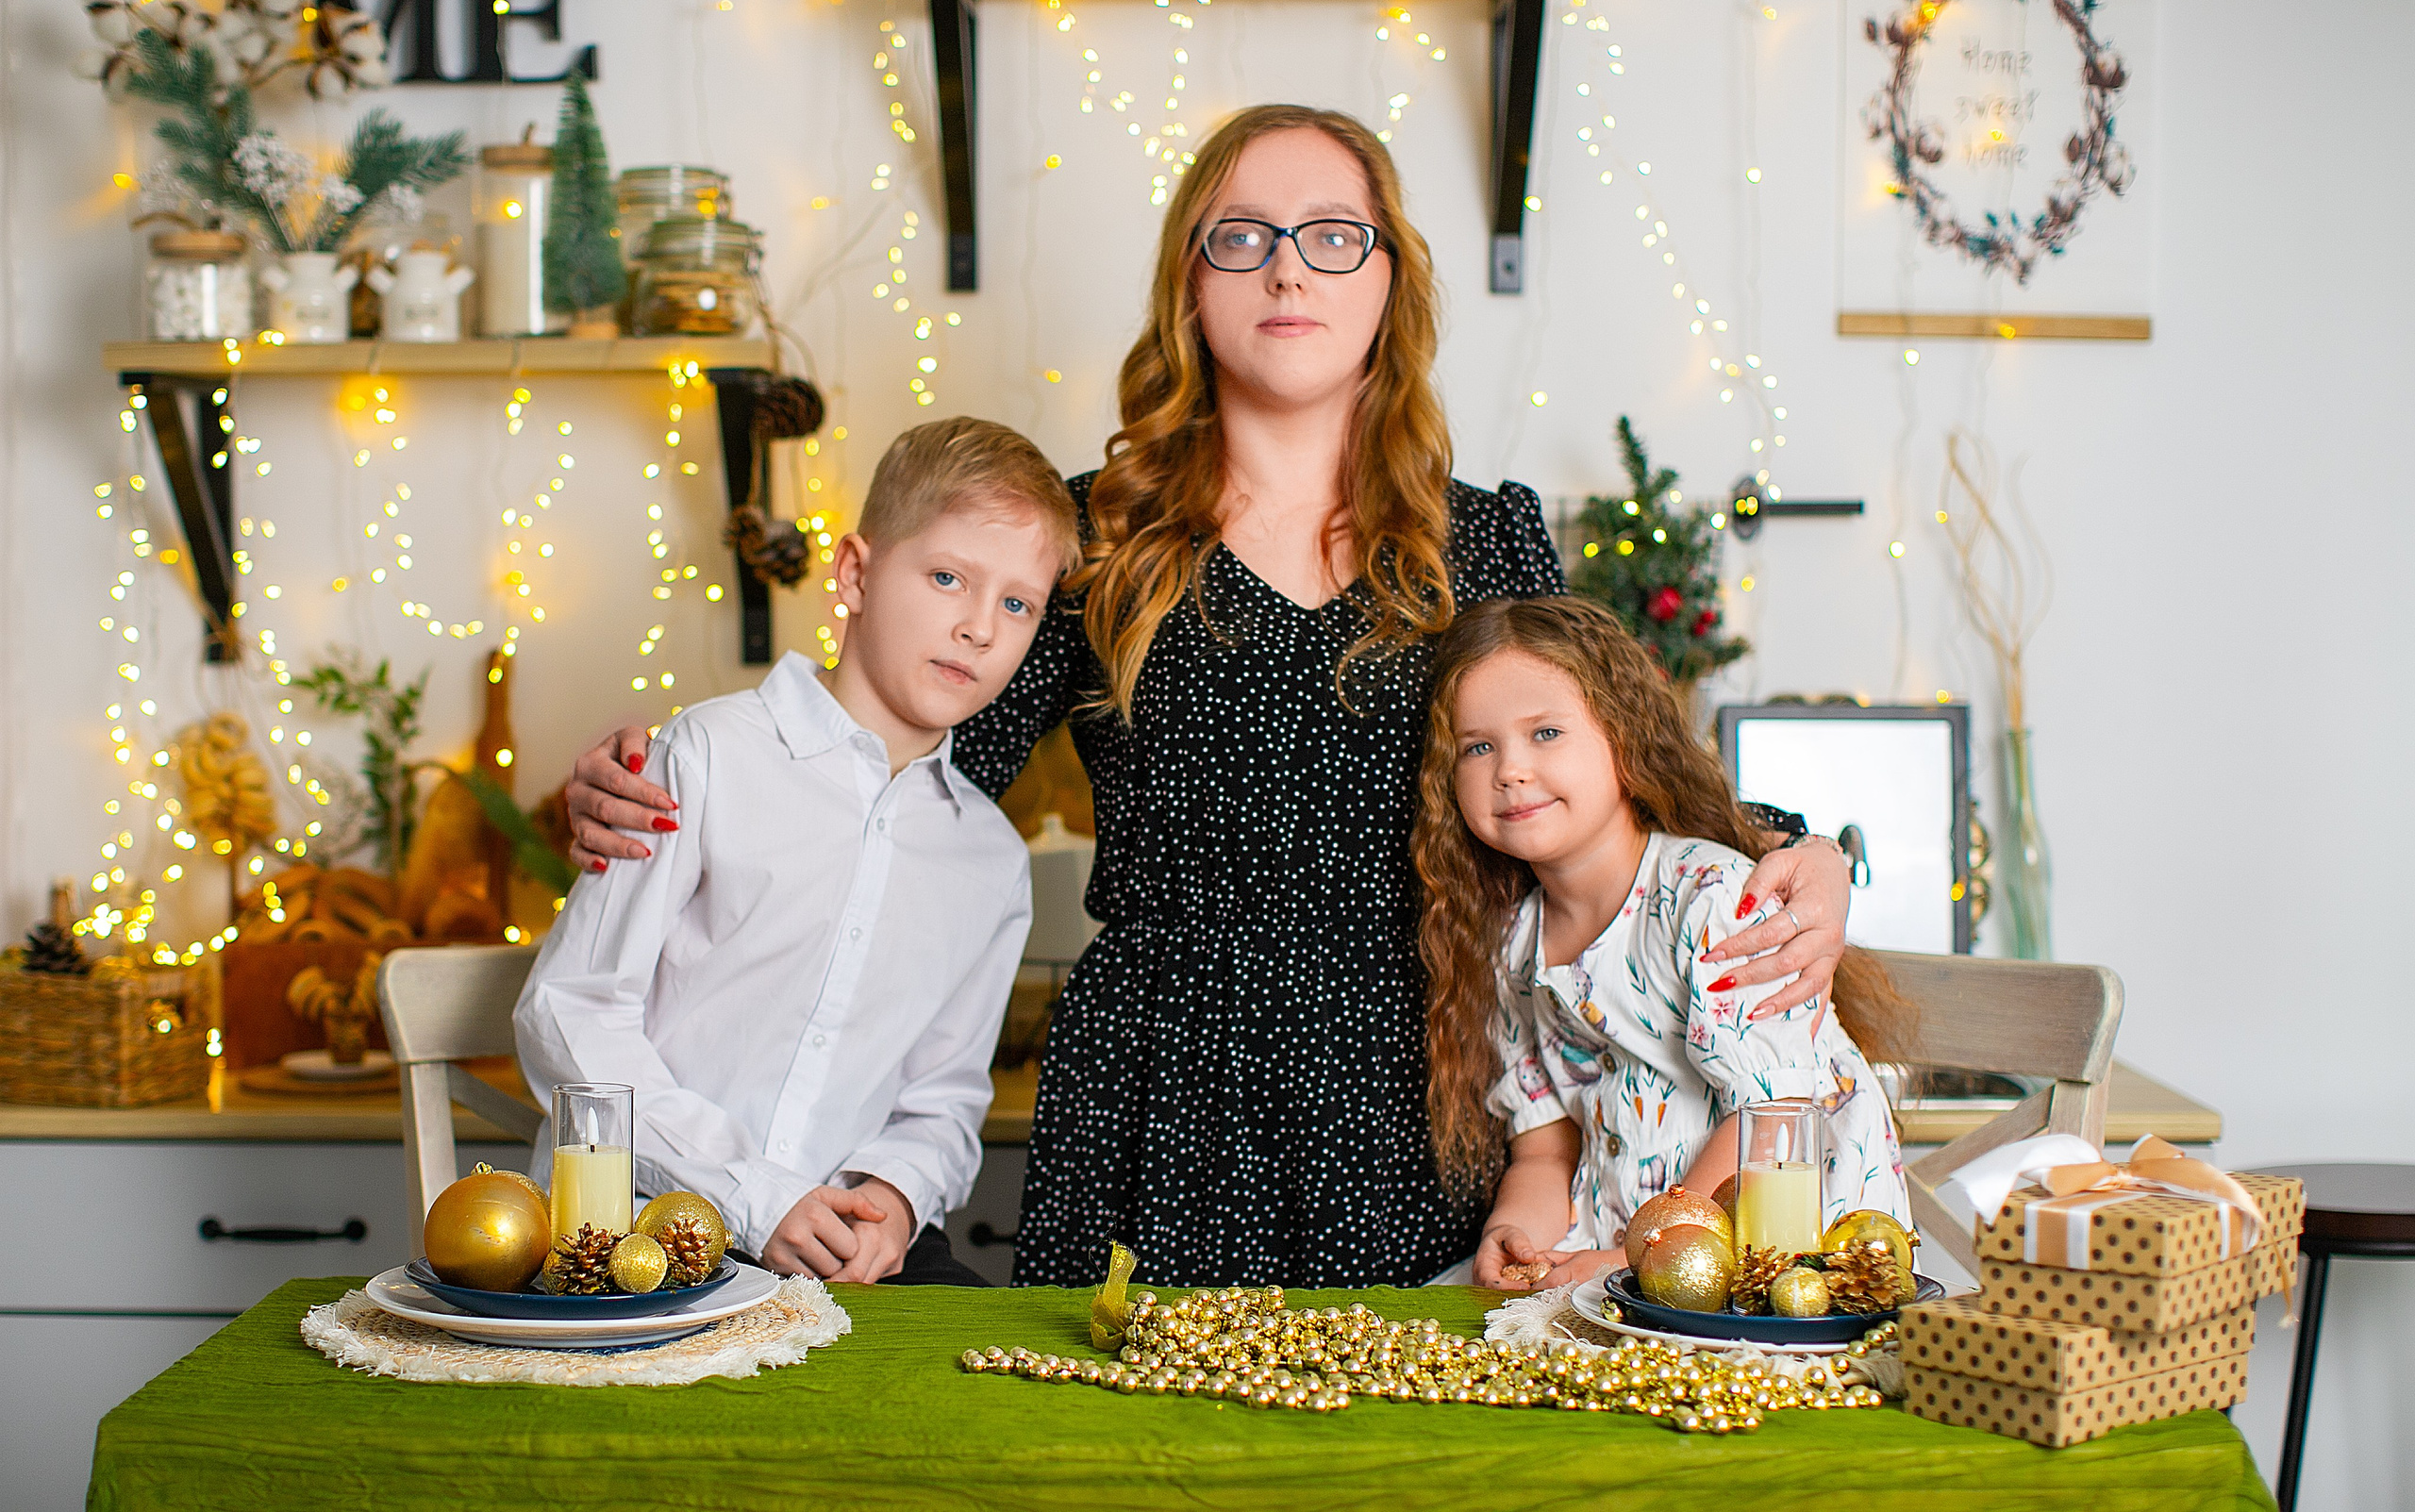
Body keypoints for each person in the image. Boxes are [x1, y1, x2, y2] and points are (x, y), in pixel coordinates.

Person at [561, 104, 1857, 1289]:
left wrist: (1794, 854)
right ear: (1190, 282)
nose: (1288, 270)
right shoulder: (1094, 541)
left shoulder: (1483, 541)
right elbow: (899, 771)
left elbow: (1610, 784)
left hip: (1418, 1093)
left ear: (1390, 281)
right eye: (1242, 237)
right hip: (1153, 1101)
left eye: (1332, 236)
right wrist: (675, 782)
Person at [515, 416, 1081, 1287]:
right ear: (854, 573)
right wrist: (754, 1195)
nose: (980, 627)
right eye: (947, 577)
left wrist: (897, 1195)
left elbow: (942, 1101)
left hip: (835, 1260)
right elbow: (570, 1011)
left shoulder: (991, 861)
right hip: (635, 1235)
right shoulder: (707, 755)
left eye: (1017, 605)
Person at [1410, 597, 1915, 1291]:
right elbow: (1545, 1149)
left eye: (1546, 732)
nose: (1510, 769)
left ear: (1623, 737)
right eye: (1478, 746)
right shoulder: (1512, 946)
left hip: (1778, 1264)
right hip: (1621, 1260)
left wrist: (1637, 1256)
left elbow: (1770, 1122)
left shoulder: (1712, 898)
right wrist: (1514, 1231)